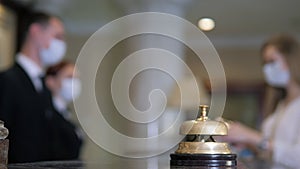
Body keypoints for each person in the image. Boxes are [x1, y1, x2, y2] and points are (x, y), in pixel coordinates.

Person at [223, 34, 300, 168]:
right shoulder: (280, 105)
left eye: (272, 61)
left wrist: (250, 136)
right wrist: (247, 143)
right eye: (265, 63)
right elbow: (273, 152)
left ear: (291, 60)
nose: (267, 69)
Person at [0, 11, 66, 163]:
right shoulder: (7, 81)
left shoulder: (44, 86)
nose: (61, 44)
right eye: (57, 36)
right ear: (35, 31)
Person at [45, 60, 83, 160]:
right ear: (51, 81)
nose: (75, 83)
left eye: (77, 78)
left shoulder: (65, 113)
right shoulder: (46, 114)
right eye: (69, 77)